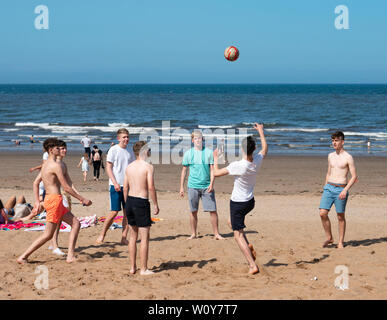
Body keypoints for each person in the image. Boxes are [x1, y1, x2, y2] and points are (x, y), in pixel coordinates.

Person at [17, 138, 92, 264]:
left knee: (76, 224)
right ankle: (23, 257)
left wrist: (37, 201)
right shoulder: (55, 165)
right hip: (54, 201)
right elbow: (67, 187)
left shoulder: (45, 164)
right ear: (51, 150)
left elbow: (35, 183)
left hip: (53, 200)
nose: (60, 149)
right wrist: (82, 199)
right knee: (47, 235)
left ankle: (70, 256)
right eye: (57, 148)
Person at [213, 123, 268, 275]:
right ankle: (248, 245)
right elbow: (265, 148)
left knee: (237, 236)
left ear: (243, 149)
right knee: (231, 222)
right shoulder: (257, 160)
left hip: (238, 203)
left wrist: (215, 158)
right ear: (254, 149)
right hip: (250, 202)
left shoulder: (238, 165)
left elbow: (216, 173)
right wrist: (261, 132)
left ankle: (252, 265)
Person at [123, 141, 159, 275]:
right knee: (144, 238)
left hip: (130, 201)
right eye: (149, 150)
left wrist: (126, 205)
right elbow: (151, 187)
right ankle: (143, 269)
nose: (150, 152)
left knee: (133, 236)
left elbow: (125, 187)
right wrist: (155, 204)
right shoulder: (148, 167)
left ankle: (132, 267)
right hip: (141, 201)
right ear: (144, 151)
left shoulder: (129, 167)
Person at [180, 130, 224, 240]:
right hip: (192, 186)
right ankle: (193, 234)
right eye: (195, 138)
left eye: (200, 138)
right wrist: (181, 187)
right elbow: (184, 171)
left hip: (207, 186)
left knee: (213, 211)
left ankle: (216, 233)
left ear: (202, 139)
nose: (198, 140)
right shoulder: (188, 153)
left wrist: (212, 184)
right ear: (192, 140)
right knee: (193, 211)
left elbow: (212, 169)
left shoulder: (208, 152)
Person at [319, 131, 357, 249]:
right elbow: (329, 172)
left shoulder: (348, 157)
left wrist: (345, 190)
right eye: (333, 140)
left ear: (342, 142)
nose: (334, 143)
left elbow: (354, 176)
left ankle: (340, 241)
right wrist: (325, 186)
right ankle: (329, 237)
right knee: (322, 213)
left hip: (341, 189)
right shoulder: (330, 156)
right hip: (329, 188)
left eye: (336, 140)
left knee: (340, 216)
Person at [96, 128, 135, 245]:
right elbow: (108, 168)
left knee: (127, 213)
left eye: (127, 137)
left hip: (128, 186)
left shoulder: (130, 151)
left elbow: (132, 168)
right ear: (118, 138)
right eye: (124, 137)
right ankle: (102, 235)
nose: (126, 139)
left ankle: (124, 237)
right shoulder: (113, 149)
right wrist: (115, 183)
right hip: (115, 185)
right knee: (114, 212)